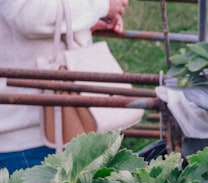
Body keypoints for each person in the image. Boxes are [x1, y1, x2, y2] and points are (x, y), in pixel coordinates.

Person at [0, 0, 129, 173]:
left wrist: (81, 21)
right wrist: (101, 5)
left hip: (50, 125)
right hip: (29, 136)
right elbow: (28, 13)